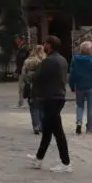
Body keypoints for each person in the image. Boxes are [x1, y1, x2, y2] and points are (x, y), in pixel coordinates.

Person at [28, 35, 72, 173]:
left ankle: (66, 163)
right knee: (47, 131)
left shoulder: (48, 61)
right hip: (59, 97)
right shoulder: (63, 60)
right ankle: (38, 159)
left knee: (58, 132)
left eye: (46, 44)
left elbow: (37, 78)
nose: (44, 46)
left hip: (50, 98)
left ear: (50, 46)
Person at [69, 41, 92, 135]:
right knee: (91, 107)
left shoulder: (75, 59)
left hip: (79, 86)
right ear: (90, 50)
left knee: (79, 105)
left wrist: (72, 85)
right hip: (90, 86)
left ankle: (79, 122)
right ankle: (89, 127)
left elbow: (72, 74)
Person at [20, 45, 46, 134]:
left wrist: (27, 81)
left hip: (31, 87)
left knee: (33, 107)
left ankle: (36, 126)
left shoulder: (27, 61)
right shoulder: (44, 61)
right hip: (42, 87)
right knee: (42, 107)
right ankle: (42, 126)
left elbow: (23, 75)